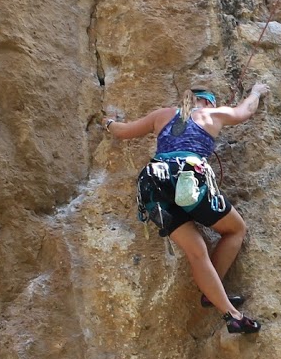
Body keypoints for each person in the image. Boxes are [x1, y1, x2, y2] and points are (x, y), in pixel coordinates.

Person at [103, 83, 269, 334]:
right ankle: (221, 303)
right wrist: (256, 92)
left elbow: (122, 131)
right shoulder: (212, 114)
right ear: (208, 103)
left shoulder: (162, 114)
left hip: (153, 182)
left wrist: (107, 123)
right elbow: (244, 111)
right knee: (235, 229)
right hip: (188, 177)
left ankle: (222, 306)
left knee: (197, 252)